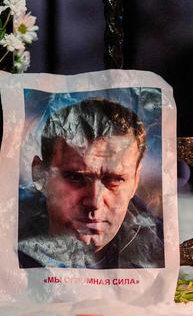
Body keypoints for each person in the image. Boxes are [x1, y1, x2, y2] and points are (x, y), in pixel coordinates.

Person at [18, 97, 164, 269]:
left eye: (115, 180)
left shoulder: (163, 247)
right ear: (40, 175)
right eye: (75, 177)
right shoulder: (8, 246)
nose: (94, 201)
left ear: (135, 182)